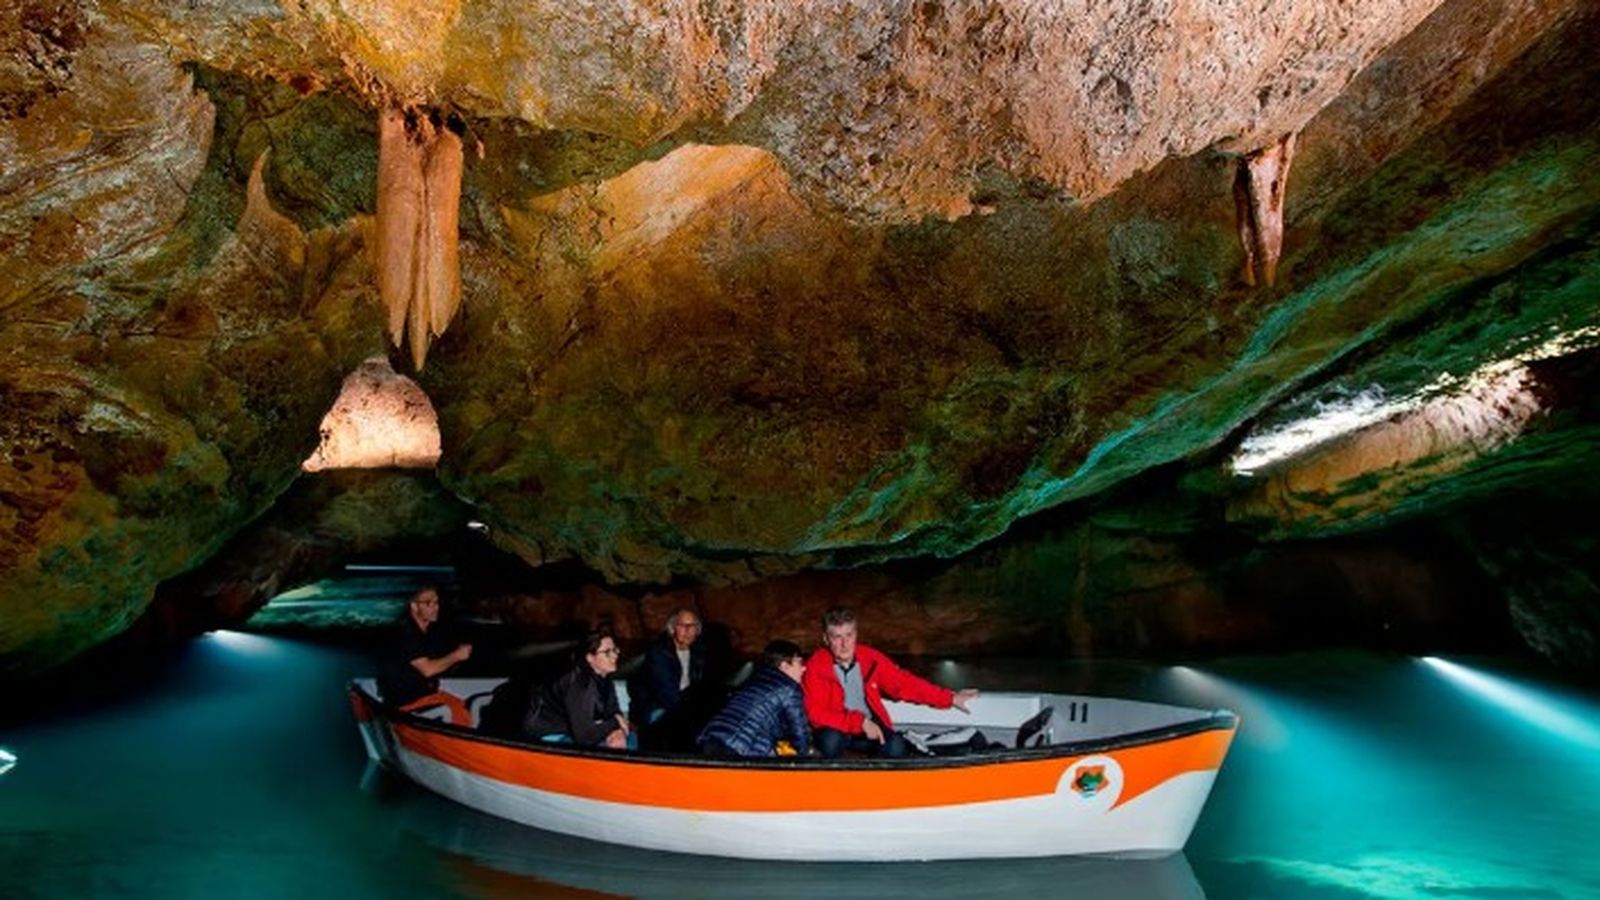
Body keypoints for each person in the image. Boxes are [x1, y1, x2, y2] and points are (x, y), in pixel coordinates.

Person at [803, 606, 978, 758]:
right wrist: (858, 722)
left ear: (856, 634)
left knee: (895, 746)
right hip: (837, 730)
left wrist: (949, 698)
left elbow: (904, 684)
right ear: (826, 639)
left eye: (849, 635)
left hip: (870, 730)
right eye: (837, 637)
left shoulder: (870, 658)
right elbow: (814, 713)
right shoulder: (815, 666)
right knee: (830, 741)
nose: (844, 644)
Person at [698, 640, 811, 758]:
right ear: (784, 666)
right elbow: (800, 733)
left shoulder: (755, 678)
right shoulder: (789, 688)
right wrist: (804, 758)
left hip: (712, 737)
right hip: (738, 747)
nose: (804, 669)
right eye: (799, 663)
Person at [377, 586, 472, 724]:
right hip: (406, 703)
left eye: (436, 602)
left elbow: (441, 662)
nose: (435, 608)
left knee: (464, 705)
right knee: (455, 711)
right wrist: (456, 656)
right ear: (414, 606)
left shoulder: (430, 632)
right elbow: (428, 670)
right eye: (428, 603)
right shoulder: (405, 632)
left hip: (426, 695)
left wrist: (456, 658)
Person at [523, 630, 631, 749]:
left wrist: (617, 731)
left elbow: (613, 709)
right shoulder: (580, 684)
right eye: (607, 652)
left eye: (615, 650)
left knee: (628, 740)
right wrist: (615, 723)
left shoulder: (604, 675)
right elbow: (584, 738)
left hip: (575, 730)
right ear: (590, 658)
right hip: (548, 734)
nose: (614, 655)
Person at [630, 607, 707, 726]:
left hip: (684, 701)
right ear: (672, 628)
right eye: (682, 625)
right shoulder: (659, 653)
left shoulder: (698, 650)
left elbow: (702, 684)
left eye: (692, 626)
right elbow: (668, 696)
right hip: (655, 706)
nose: (688, 630)